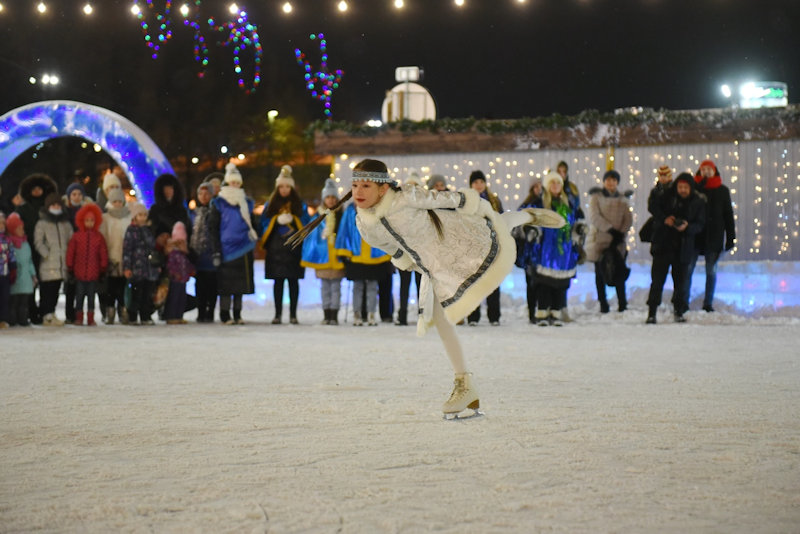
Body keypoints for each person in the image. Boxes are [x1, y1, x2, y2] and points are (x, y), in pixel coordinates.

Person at [348, 158, 553, 417]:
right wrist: (411, 263)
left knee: (493, 226)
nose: (358, 192)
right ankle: (464, 385)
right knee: (437, 317)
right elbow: (392, 248)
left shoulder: (405, 197)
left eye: (365, 185)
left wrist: (469, 202)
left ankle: (526, 216)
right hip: (432, 261)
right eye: (355, 185)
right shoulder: (364, 224)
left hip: (451, 234)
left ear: (383, 188)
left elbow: (440, 199)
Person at [645, 172, 706, 324]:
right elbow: (653, 206)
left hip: (683, 247)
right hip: (663, 245)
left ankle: (679, 311)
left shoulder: (697, 202)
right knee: (657, 281)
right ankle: (652, 312)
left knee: (681, 283)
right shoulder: (666, 196)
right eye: (680, 187)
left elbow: (700, 224)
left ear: (691, 188)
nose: (683, 190)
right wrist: (665, 219)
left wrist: (687, 227)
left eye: (686, 187)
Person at [525, 171, 583, 326]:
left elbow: (576, 220)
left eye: (558, 183)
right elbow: (532, 219)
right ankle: (543, 312)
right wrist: (533, 231)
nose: (555, 186)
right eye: (552, 183)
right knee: (544, 282)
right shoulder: (541, 203)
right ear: (547, 186)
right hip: (546, 248)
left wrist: (580, 229)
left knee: (560, 282)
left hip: (564, 249)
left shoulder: (568, 203)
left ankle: (556, 313)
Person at [258, 165, 309, 324]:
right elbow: (263, 223)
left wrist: (294, 220)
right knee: (278, 282)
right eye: (281, 186)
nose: (284, 189)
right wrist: (275, 220)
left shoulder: (300, 205)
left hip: (293, 250)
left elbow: (307, 223)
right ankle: (277, 314)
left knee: (293, 282)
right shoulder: (270, 205)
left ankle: (293, 314)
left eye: (287, 186)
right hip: (276, 250)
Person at [210, 163, 257, 325]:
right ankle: (225, 314)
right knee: (226, 285)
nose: (235, 185)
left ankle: (237, 313)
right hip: (226, 249)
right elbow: (213, 228)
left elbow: (253, 223)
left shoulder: (246, 202)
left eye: (238, 182)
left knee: (240, 285)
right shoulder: (219, 203)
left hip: (244, 247)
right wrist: (216, 250)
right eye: (232, 182)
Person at [688, 159, 736, 312]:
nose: (706, 172)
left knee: (711, 271)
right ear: (699, 172)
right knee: (688, 269)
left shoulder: (722, 191)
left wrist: (730, 237)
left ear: (715, 171)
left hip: (714, 237)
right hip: (695, 236)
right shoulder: (693, 190)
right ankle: (683, 301)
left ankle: (708, 303)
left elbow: (728, 215)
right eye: (703, 170)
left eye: (709, 169)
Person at [584, 170, 632, 313]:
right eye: (608, 180)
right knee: (600, 272)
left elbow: (628, 219)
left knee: (618, 271)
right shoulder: (596, 197)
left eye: (614, 180)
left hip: (617, 241)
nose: (611, 183)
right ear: (604, 182)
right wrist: (610, 229)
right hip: (600, 239)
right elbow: (594, 217)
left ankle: (622, 303)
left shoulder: (623, 200)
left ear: (617, 182)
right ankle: (603, 303)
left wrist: (620, 233)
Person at [301, 178, 346, 325]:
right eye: (328, 197)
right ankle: (326, 313)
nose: (331, 200)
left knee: (336, 287)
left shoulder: (341, 215)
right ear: (323, 199)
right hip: (323, 257)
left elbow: (345, 233)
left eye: (333, 197)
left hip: (337, 257)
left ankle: (334, 314)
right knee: (325, 287)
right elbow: (312, 237)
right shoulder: (318, 216)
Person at [15, 173, 57, 324]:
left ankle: (45, 311)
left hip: (48, 251)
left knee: (47, 283)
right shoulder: (23, 208)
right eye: (34, 189)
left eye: (40, 188)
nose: (37, 191)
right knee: (31, 282)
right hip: (29, 249)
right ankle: (31, 311)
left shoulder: (49, 208)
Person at [466, 170, 504, 326]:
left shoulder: (494, 201)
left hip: (491, 245)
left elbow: (501, 221)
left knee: (492, 281)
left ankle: (494, 316)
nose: (479, 185)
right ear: (471, 185)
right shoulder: (466, 201)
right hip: (473, 247)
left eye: (481, 182)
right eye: (475, 182)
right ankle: (473, 316)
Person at [34, 192, 74, 326]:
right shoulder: (42, 223)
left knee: (56, 291)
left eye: (58, 205)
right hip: (48, 264)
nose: (56, 207)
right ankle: (46, 314)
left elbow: (71, 240)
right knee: (47, 292)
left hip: (61, 265)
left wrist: (68, 256)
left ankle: (51, 313)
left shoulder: (65, 224)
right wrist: (47, 254)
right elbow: (38, 241)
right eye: (53, 205)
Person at [66, 203, 108, 326]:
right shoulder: (77, 237)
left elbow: (103, 253)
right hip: (79, 273)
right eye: (87, 220)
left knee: (91, 297)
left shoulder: (98, 237)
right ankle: (79, 317)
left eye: (92, 220)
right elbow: (71, 253)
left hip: (93, 274)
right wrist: (70, 267)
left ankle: (90, 317)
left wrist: (103, 268)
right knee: (79, 297)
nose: (89, 223)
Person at [123, 202, 160, 326]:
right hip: (136, 269)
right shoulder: (131, 230)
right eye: (140, 215)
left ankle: (145, 316)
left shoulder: (149, 230)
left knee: (147, 294)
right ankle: (132, 316)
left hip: (149, 269)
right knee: (135, 294)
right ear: (134, 216)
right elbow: (127, 250)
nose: (142, 217)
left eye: (144, 215)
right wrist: (127, 267)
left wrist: (156, 265)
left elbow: (153, 246)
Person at [98, 188, 132, 324]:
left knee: (123, 287)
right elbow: (103, 237)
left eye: (120, 201)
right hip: (111, 258)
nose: (117, 204)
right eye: (115, 201)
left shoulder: (128, 217)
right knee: (111, 287)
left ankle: (123, 311)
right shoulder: (105, 218)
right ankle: (110, 311)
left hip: (125, 257)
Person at [514, 178, 544, 323]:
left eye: (541, 186)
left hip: (543, 250)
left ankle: (542, 310)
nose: (538, 189)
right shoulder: (526, 206)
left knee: (543, 283)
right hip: (530, 251)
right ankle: (532, 312)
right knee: (531, 283)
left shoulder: (547, 205)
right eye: (536, 186)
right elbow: (517, 226)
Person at [62, 182, 93, 323]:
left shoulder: (87, 210)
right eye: (74, 194)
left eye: (79, 194)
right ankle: (70, 314)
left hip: (84, 251)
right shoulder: (64, 211)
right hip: (70, 249)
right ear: (69, 196)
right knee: (70, 286)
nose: (77, 197)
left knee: (82, 287)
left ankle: (81, 312)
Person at [189, 182, 218, 323]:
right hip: (198, 256)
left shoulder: (216, 212)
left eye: (207, 193)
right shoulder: (193, 213)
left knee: (212, 286)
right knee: (199, 286)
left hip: (211, 255)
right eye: (201, 193)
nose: (204, 196)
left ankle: (210, 311)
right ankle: (201, 311)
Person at [5, 213, 36, 327]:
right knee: (14, 302)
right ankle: (12, 320)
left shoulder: (25, 243)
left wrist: (33, 274)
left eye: (22, 228)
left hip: (26, 279)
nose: (22, 231)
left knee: (24, 302)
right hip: (15, 278)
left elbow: (30, 261)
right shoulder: (9, 244)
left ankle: (23, 319)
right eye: (18, 229)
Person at [163, 222, 195, 325]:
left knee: (182, 298)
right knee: (174, 298)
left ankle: (179, 315)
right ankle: (171, 316)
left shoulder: (183, 253)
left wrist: (191, 270)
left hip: (183, 279)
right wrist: (174, 273)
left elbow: (187, 264)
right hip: (175, 279)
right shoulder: (173, 253)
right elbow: (170, 265)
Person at [0, 211, 14, 329]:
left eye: (3, 224)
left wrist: (13, 265)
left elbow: (11, 254)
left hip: (4, 273)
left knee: (4, 297)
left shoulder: (7, 240)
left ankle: (3, 319)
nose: (1, 226)